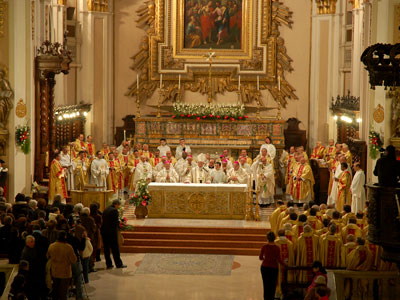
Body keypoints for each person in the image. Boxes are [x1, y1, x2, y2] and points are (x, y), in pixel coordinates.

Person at [47, 231, 77, 300]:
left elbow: (47, 256)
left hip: (55, 271)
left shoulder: (51, 246)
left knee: (55, 291)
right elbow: (74, 260)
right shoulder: (68, 247)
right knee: (63, 292)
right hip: (65, 272)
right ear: (65, 237)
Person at [259, 231, 285, 300]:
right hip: (274, 268)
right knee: (273, 285)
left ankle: (266, 298)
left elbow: (260, 258)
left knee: (266, 285)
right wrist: (285, 264)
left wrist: (266, 258)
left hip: (264, 268)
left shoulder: (264, 247)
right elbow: (279, 260)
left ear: (267, 238)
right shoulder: (277, 247)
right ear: (274, 238)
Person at [101, 200, 126, 269]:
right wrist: (120, 224)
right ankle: (118, 264)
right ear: (116, 204)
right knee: (115, 248)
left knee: (106, 248)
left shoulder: (106, 209)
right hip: (111, 232)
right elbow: (115, 222)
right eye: (119, 205)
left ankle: (108, 264)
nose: (119, 207)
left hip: (104, 231)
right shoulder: (114, 211)